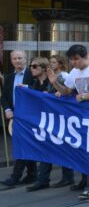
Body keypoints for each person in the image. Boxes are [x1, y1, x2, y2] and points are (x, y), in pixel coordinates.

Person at [48, 45, 89, 199]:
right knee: (82, 148)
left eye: (76, 59)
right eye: (72, 60)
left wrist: (84, 97)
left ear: (85, 56)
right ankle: (85, 179)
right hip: (83, 115)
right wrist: (55, 83)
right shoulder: (74, 72)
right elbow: (67, 91)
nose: (74, 63)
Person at [26, 57, 72, 191]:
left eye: (34, 66)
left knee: (63, 148)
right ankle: (43, 180)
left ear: (43, 68)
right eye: (31, 66)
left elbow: (67, 95)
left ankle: (68, 177)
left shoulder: (55, 80)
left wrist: (56, 94)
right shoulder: (34, 83)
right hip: (43, 121)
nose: (31, 69)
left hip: (58, 120)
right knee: (44, 149)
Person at [1, 50, 35, 187]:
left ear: (25, 59)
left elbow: (37, 91)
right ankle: (33, 175)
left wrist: (27, 88)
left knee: (23, 146)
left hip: (29, 116)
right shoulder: (9, 77)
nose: (17, 61)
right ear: (11, 61)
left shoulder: (32, 75)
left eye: (20, 58)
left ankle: (15, 177)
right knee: (25, 145)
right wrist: (7, 109)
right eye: (15, 58)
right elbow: (3, 97)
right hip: (15, 116)